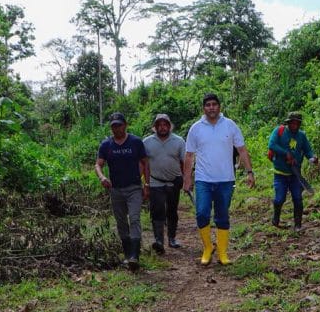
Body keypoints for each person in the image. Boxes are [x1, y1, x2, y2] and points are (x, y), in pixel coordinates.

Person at [183, 93, 255, 265]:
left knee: (222, 216)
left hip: (225, 180)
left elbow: (242, 150)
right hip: (203, 180)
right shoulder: (196, 128)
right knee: (201, 213)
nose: (211, 107)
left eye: (214, 104)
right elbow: (189, 155)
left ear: (219, 106)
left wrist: (250, 172)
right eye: (208, 105)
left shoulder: (230, 125)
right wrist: (187, 179)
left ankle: (222, 252)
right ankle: (208, 247)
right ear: (204, 108)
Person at [96, 112, 149, 270]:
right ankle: (127, 254)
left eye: (119, 125)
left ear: (125, 125)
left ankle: (135, 256)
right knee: (121, 222)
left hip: (133, 187)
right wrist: (102, 177)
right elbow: (98, 164)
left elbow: (145, 163)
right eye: (113, 126)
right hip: (116, 189)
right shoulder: (106, 145)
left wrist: (147, 185)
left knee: (134, 218)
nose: (116, 129)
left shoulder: (135, 142)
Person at [143, 113, 185, 254]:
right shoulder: (147, 142)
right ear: (155, 127)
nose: (162, 127)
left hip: (174, 181)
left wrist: (186, 180)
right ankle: (159, 240)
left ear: (169, 126)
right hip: (155, 180)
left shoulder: (179, 141)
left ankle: (172, 238)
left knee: (172, 210)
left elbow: (184, 161)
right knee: (157, 211)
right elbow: (144, 164)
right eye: (159, 125)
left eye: (165, 124)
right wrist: (145, 183)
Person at [268, 112, 318, 231]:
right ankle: (276, 218)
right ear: (288, 123)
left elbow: (307, 150)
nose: (294, 125)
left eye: (297, 123)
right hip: (280, 173)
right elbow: (272, 145)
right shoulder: (279, 131)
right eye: (292, 123)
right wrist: (286, 153)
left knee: (298, 198)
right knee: (280, 199)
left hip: (295, 173)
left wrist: (313, 158)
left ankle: (298, 225)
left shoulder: (301, 136)